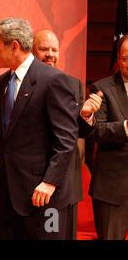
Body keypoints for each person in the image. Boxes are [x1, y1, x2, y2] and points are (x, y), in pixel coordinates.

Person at [0, 18, 80, 239]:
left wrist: (50, 181)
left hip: (44, 197)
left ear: (14, 45)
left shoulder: (54, 80)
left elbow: (66, 140)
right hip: (7, 198)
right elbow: (1, 135)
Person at [32, 29, 102, 239]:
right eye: (44, 49)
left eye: (55, 49)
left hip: (66, 186)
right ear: (32, 51)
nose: (50, 54)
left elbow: (78, 131)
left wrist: (87, 115)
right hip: (38, 183)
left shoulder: (73, 84)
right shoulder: (22, 83)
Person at [87, 34, 128, 240]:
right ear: (118, 59)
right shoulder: (101, 89)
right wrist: (126, 127)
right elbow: (95, 131)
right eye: (125, 58)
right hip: (113, 189)